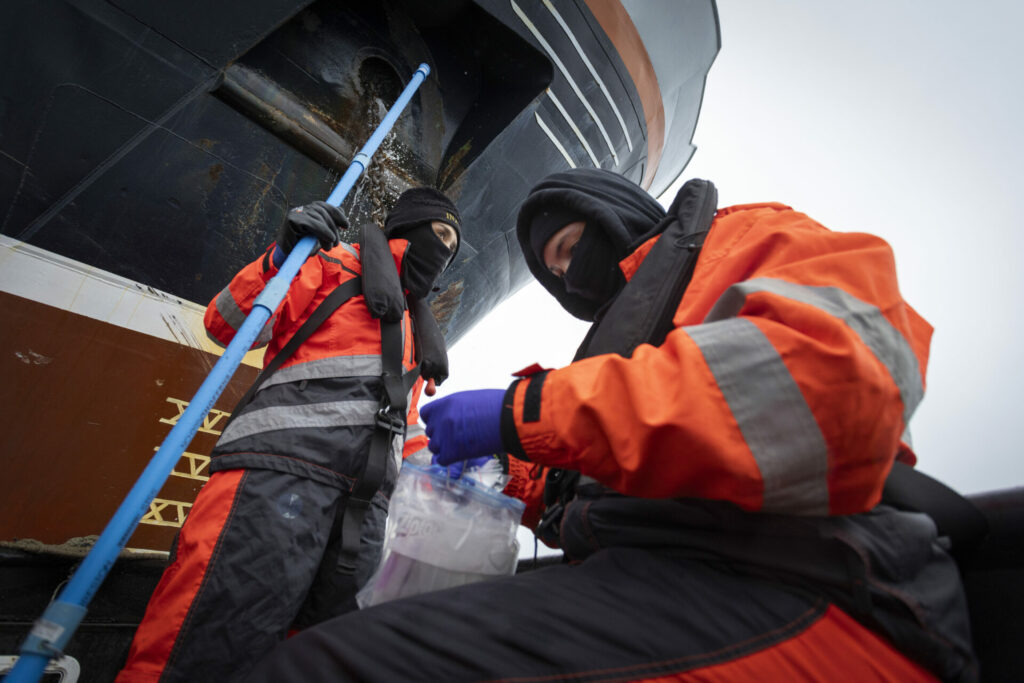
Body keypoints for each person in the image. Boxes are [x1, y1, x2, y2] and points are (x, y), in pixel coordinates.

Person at [248, 169, 976, 682]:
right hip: (666, 572)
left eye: (570, 248)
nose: (568, 277)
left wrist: (521, 414)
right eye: (553, 273)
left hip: (812, 587)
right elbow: (605, 472)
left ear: (610, 211)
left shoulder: (753, 240)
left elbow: (821, 390)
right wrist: (498, 473)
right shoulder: (621, 335)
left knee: (325, 667)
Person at [116, 187, 461, 683]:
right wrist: (280, 257)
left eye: (453, 243)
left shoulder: (413, 327)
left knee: (317, 659)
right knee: (208, 637)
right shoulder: (331, 266)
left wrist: (445, 481)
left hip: (362, 514)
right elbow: (227, 324)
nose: (444, 250)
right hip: (275, 479)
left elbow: (399, 421)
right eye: (439, 233)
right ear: (406, 227)